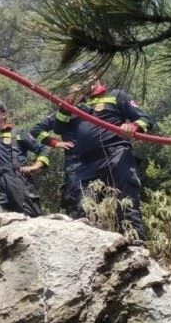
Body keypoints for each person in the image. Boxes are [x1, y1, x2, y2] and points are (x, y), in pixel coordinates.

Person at [53, 64, 155, 240]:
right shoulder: (76, 105)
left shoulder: (115, 96)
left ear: (94, 75)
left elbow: (146, 119)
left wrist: (133, 126)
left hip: (117, 156)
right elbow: (58, 128)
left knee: (126, 206)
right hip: (87, 163)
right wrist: (67, 104)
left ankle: (136, 246)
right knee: (82, 207)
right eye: (75, 79)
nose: (78, 82)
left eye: (82, 77)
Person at [0, 100, 50, 217]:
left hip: (17, 178)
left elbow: (43, 149)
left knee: (30, 217)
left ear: (4, 114)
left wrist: (36, 166)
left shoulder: (17, 133)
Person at [30, 112, 82, 217]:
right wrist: (55, 143)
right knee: (74, 193)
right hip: (74, 160)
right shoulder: (61, 115)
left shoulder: (90, 110)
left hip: (98, 157)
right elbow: (36, 130)